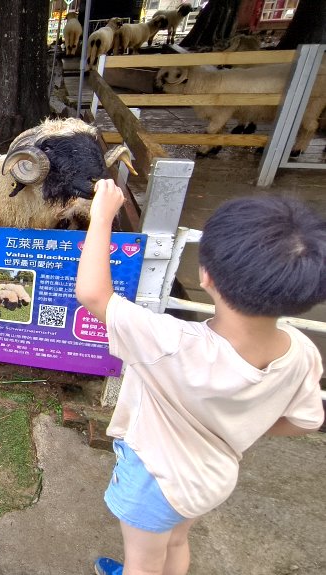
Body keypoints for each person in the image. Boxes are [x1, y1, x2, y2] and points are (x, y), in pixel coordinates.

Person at [75, 180, 325, 575]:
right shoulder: (301, 352)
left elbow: (93, 294)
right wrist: (244, 424)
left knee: (143, 561)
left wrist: (102, 214)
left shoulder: (172, 342)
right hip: (211, 477)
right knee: (175, 540)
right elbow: (306, 420)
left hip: (155, 479)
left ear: (205, 276)